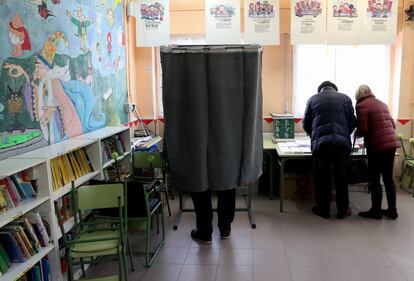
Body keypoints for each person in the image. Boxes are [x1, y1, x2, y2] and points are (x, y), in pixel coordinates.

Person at [303, 81, 356, 219]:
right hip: (342, 145)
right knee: (341, 177)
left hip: (322, 145)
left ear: (320, 90)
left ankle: (323, 210)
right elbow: (352, 121)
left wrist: (314, 135)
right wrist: (344, 133)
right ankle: (343, 210)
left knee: (323, 177)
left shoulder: (313, 99)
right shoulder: (346, 98)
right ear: (335, 89)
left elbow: (306, 123)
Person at [355, 85, 400, 219]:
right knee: (388, 179)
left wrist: (356, 134)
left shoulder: (361, 105)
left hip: (377, 148)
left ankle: (376, 211)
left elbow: (363, 128)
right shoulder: (382, 104)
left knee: (375, 179)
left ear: (358, 95)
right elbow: (392, 125)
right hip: (391, 145)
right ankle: (392, 210)